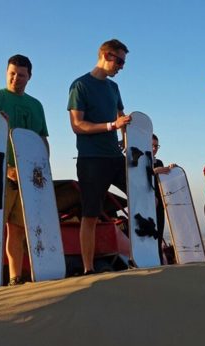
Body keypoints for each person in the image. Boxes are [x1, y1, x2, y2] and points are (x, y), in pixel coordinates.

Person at [0, 54, 49, 286]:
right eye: (12, 73)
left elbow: (42, 139)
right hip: (0, 174)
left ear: (29, 77)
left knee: (18, 230)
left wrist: (43, 170)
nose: (15, 78)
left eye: (21, 75)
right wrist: (8, 168)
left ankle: (15, 278)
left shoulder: (36, 105)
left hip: (29, 178)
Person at [67, 39, 132, 274]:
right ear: (106, 55)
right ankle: (88, 269)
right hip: (91, 159)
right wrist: (112, 126)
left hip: (115, 157)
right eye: (120, 60)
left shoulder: (113, 88)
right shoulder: (80, 85)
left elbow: (121, 115)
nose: (122, 66)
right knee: (91, 213)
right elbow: (77, 125)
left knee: (146, 198)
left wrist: (125, 135)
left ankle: (141, 254)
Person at [152, 134, 176, 264]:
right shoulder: (139, 161)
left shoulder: (159, 162)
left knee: (159, 234)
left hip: (160, 204)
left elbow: (165, 180)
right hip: (145, 204)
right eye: (152, 145)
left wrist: (171, 169)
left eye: (156, 146)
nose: (155, 148)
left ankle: (159, 261)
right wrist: (154, 171)